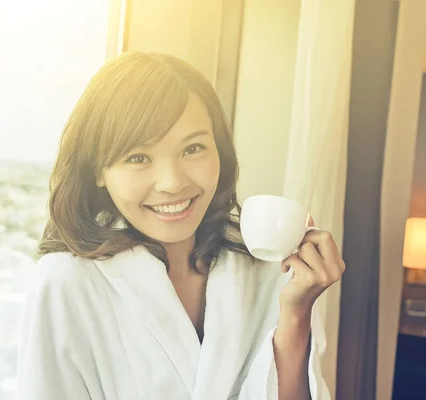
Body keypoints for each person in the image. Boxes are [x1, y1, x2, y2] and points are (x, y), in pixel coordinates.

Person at [17, 52, 345, 399]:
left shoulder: (266, 267)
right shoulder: (66, 283)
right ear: (97, 169)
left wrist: (296, 313)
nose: (172, 182)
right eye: (138, 157)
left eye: (193, 148)